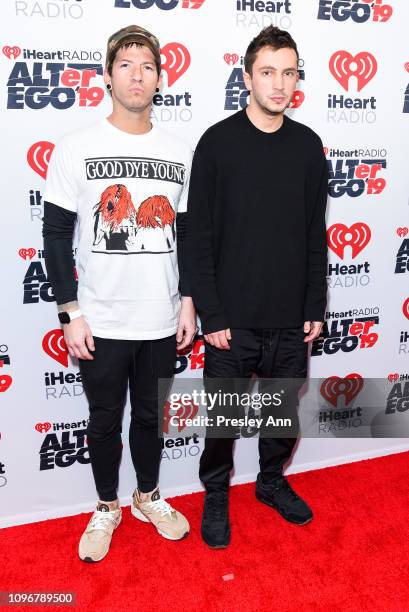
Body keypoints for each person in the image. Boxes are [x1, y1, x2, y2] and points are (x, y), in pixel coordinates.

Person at [43, 25, 196, 562]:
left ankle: (147, 495)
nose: (137, 74)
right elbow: (56, 235)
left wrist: (189, 301)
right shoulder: (76, 147)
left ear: (160, 78)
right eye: (126, 64)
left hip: (160, 318)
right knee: (105, 417)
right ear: (107, 77)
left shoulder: (180, 152)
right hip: (100, 321)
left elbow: (190, 237)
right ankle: (107, 505)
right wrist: (69, 311)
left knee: (151, 417)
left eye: (148, 65)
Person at [187, 26, 328, 548]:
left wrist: (314, 303)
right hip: (232, 322)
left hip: (291, 318)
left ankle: (270, 482)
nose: (279, 84)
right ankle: (216, 492)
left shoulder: (309, 147)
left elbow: (316, 232)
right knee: (222, 421)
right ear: (246, 77)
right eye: (268, 72)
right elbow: (197, 236)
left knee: (282, 416)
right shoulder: (217, 144)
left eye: (288, 73)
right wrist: (213, 316)